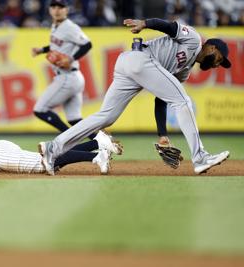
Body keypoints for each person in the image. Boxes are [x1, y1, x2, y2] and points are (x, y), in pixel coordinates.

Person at [39, 18, 231, 175]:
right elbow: (170, 27)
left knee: (106, 116)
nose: (217, 65)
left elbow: (161, 98)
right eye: (219, 60)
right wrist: (145, 24)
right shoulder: (195, 40)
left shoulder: (185, 72)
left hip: (129, 65)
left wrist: (162, 134)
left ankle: (53, 148)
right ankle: (201, 158)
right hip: (139, 59)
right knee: (183, 101)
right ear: (212, 48)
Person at [31, 0, 96, 139]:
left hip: (67, 77)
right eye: (53, 6)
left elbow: (87, 44)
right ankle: (101, 141)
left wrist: (71, 58)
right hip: (73, 77)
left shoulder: (70, 27)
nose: (57, 9)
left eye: (60, 7)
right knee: (74, 119)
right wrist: (42, 50)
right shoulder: (55, 25)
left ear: (66, 10)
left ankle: (68, 139)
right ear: (49, 10)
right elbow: (55, 46)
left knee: (40, 110)